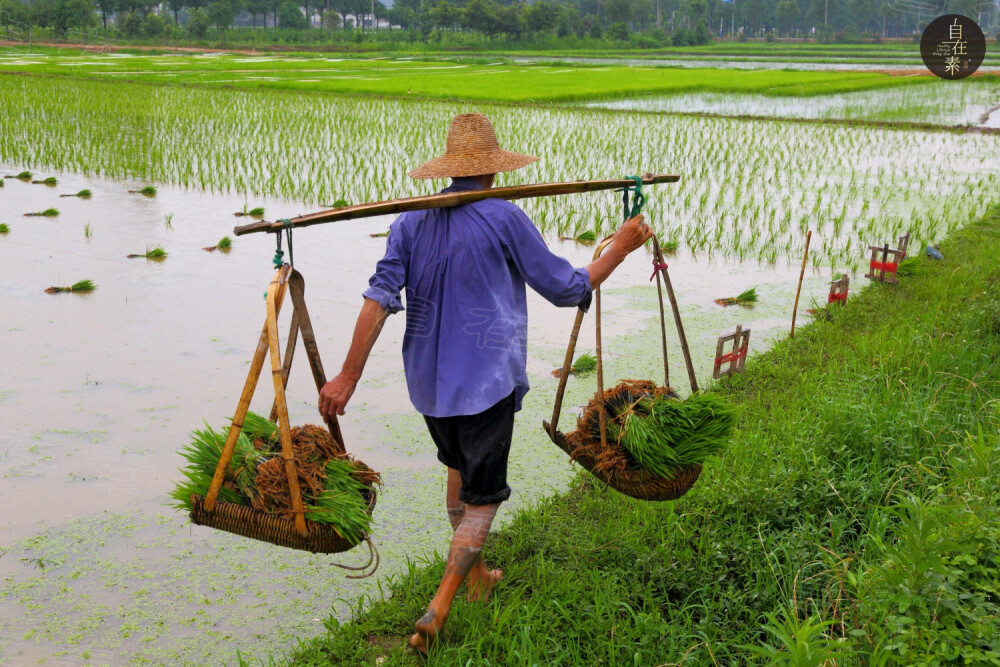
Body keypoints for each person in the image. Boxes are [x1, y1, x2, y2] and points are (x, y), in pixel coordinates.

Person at [318, 113, 652, 654]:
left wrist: (347, 376)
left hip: (428, 387)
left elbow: (378, 299)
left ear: (449, 173)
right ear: (494, 172)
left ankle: (477, 580)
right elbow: (566, 289)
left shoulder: (409, 221)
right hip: (485, 384)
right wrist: (619, 249)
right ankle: (440, 605)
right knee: (484, 497)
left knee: (459, 472)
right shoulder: (504, 218)